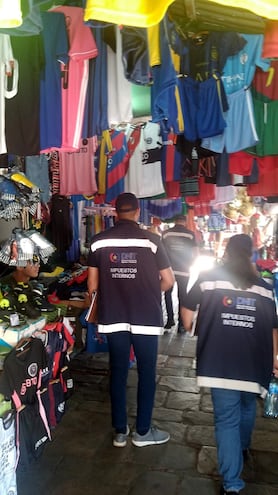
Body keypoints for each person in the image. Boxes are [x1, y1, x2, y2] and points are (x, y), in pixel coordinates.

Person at [181, 234, 278, 495]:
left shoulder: (209, 278)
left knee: (226, 420)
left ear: (227, 250)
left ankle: (232, 484)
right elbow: (272, 329)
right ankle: (242, 448)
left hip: (218, 361)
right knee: (247, 408)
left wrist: (196, 329)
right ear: (251, 254)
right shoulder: (265, 288)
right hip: (254, 363)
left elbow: (187, 311)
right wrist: (276, 360)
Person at [87, 192, 174, 448]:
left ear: (115, 213)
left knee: (118, 371)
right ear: (138, 212)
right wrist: (146, 290)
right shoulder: (153, 240)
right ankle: (143, 432)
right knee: (147, 373)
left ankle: (120, 432)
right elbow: (168, 282)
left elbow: (92, 287)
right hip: (146, 317)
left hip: (113, 317)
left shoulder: (98, 241)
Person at [162, 214, 198, 332]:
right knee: (182, 296)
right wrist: (189, 265)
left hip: (169, 270)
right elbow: (196, 254)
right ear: (185, 221)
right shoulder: (190, 234)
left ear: (175, 221)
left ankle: (170, 320)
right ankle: (181, 325)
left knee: (167, 295)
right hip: (184, 270)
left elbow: (161, 252)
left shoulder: (166, 233)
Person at [0, 255, 54, 319]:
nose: (38, 266)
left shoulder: (29, 285)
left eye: (38, 263)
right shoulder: (5, 285)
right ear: (20, 266)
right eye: (33, 263)